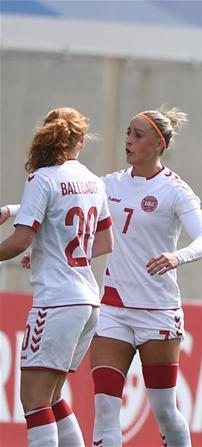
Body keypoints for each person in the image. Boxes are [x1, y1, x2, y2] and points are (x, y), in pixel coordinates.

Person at [78, 106, 202, 447]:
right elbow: (61, 199)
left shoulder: (175, 191)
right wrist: (16, 214)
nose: (128, 141)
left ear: (159, 144)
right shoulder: (108, 183)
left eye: (137, 135)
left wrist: (176, 256)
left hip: (158, 312)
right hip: (113, 309)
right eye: (127, 132)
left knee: (164, 410)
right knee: (105, 409)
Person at [0, 107, 114, 447]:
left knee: (33, 402)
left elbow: (21, 240)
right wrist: (49, 251)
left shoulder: (42, 178)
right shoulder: (95, 182)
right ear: (80, 141)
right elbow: (105, 241)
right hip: (88, 302)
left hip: (57, 303)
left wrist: (39, 249)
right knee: (51, 398)